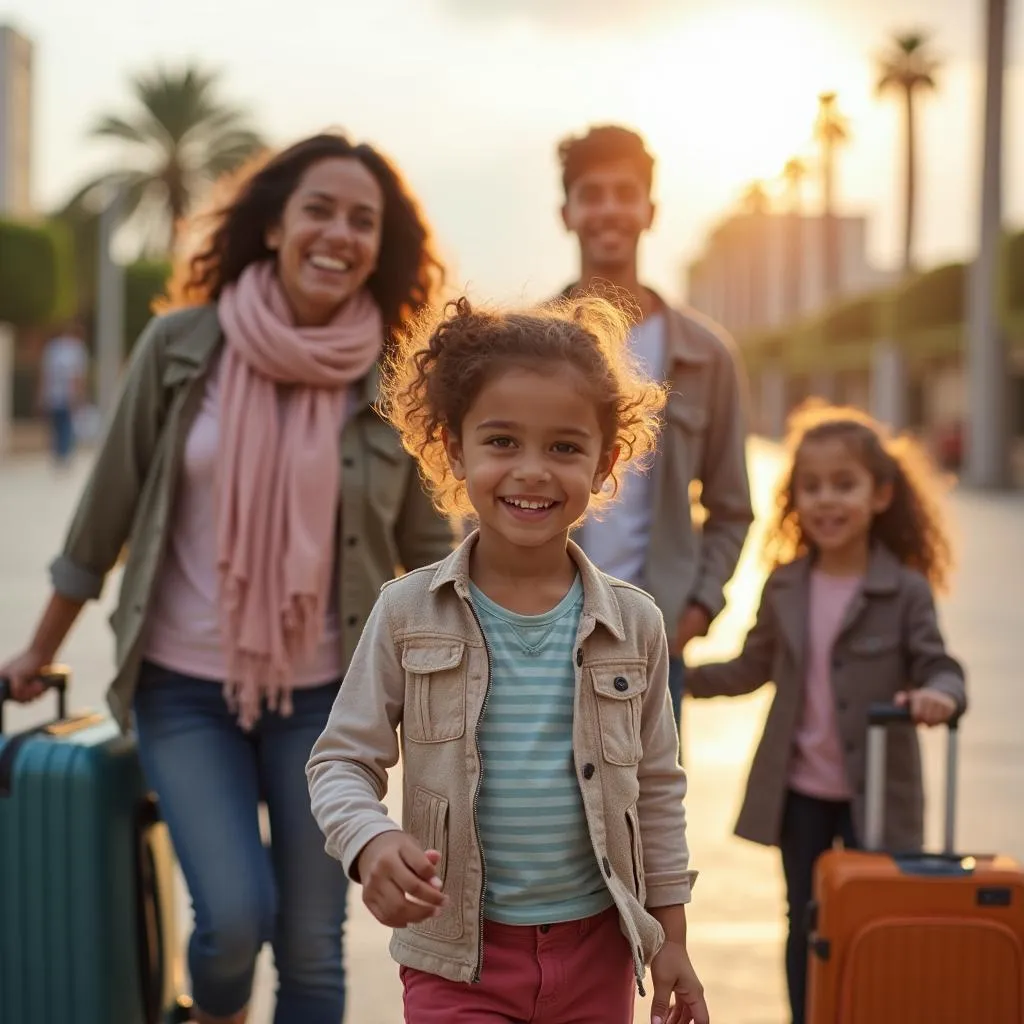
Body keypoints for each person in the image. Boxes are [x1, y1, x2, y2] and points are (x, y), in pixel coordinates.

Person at [0, 132, 456, 1024]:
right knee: (234, 923)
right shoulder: (181, 346)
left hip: (328, 700)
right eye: (318, 210)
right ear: (276, 225)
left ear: (382, 245)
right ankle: (209, 1014)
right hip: (185, 689)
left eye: (362, 220)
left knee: (315, 955)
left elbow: (431, 553)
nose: (339, 233)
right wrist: (38, 648)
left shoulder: (393, 376)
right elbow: (104, 517)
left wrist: (506, 646)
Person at [307, 297, 710, 1024]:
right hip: (456, 963)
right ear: (454, 449)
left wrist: (670, 937)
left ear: (605, 461)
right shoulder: (406, 613)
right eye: (501, 442)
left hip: (598, 955)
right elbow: (340, 760)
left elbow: (655, 789)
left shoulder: (636, 625)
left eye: (563, 448)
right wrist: (371, 842)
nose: (532, 472)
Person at [685, 402, 967, 1024]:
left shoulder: (904, 590)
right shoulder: (785, 583)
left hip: (877, 794)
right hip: (800, 791)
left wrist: (940, 695)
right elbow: (749, 668)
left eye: (844, 485)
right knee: (805, 918)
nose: (826, 500)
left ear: (881, 495)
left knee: (875, 915)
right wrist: (678, 678)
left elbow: (939, 666)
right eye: (811, 487)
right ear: (793, 499)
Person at [553, 124, 753, 738]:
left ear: (650, 210)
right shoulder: (526, 345)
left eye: (624, 192)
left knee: (648, 828)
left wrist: (695, 611)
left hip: (653, 642)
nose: (609, 208)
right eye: (592, 193)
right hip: (536, 639)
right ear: (568, 212)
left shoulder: (706, 355)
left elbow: (731, 506)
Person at [38, 320, 90, 465]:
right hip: (66, 394)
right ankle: (63, 454)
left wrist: (42, 394)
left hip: (55, 394)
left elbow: (46, 374)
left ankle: (59, 453)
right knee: (65, 424)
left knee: (58, 424)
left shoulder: (53, 348)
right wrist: (79, 394)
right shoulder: (77, 349)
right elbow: (78, 376)